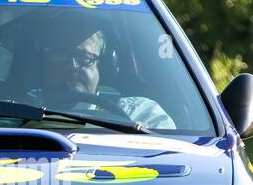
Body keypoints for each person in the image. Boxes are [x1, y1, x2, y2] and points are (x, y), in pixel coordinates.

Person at [32, 13, 175, 130]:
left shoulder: (140, 114)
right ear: (41, 64)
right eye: (60, 54)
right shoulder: (16, 113)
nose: (72, 66)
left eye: (85, 58)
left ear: (105, 66)